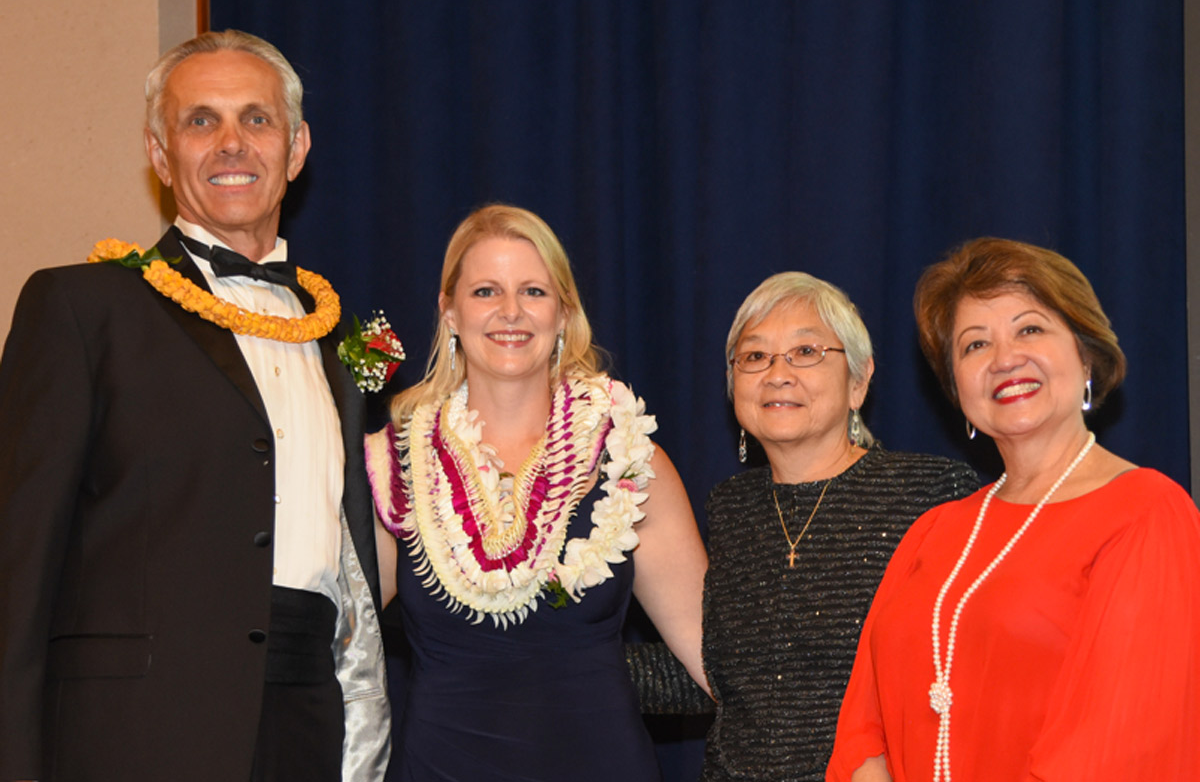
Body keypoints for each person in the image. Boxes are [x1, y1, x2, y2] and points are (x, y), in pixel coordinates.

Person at [0, 31, 388, 782]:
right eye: (200, 120)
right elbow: (16, 574)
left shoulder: (331, 334)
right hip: (134, 737)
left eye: (257, 119)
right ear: (158, 151)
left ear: (298, 147)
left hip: (307, 725)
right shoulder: (82, 307)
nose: (232, 144)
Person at [828, 237, 1200, 781]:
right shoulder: (933, 532)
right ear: (958, 389)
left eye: (1030, 329)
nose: (1005, 359)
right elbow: (864, 727)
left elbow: (1117, 750)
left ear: (1085, 355)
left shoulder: (1147, 512)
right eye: (974, 345)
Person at [365, 204, 708, 781]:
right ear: (448, 312)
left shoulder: (627, 454)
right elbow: (332, 646)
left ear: (564, 313)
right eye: (484, 291)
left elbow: (714, 656)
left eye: (532, 291)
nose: (510, 312)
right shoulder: (395, 463)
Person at [659, 272, 976, 781]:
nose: (778, 373)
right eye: (755, 356)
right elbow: (728, 676)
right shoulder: (731, 507)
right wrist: (549, 658)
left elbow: (973, 673)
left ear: (859, 380)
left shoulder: (931, 493)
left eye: (806, 351)